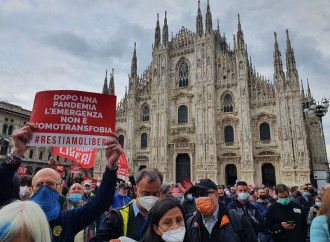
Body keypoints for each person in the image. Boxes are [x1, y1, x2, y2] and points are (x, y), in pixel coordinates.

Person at [1, 122, 121, 241]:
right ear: (31, 191)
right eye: (39, 184)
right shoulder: (17, 215)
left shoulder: (68, 220)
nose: (44, 188)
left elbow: (101, 203)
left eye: (50, 184)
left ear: (60, 189)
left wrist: (111, 166)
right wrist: (16, 153)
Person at [91, 168, 163, 241]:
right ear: (135, 190)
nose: (150, 198)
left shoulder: (163, 216)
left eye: (155, 194)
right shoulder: (116, 217)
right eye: (146, 193)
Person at [186, 179, 258, 242]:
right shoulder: (191, 223)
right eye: (195, 195)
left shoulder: (237, 219)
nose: (199, 198)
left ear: (216, 195)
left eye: (203, 194)